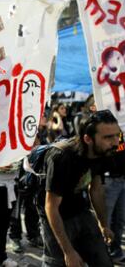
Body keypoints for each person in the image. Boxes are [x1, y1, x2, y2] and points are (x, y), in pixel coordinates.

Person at [42, 109, 120, 267]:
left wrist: (103, 224)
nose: (115, 142)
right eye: (107, 137)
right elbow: (51, 207)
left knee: (103, 262)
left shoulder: (103, 152)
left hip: (80, 210)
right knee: (60, 263)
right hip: (56, 215)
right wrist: (68, 251)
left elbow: (96, 189)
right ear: (88, 139)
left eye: (116, 136)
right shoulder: (62, 157)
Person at [103, 132, 125, 264]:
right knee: (105, 221)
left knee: (120, 220)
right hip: (109, 179)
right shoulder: (109, 128)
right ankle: (101, 254)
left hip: (122, 180)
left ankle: (116, 252)